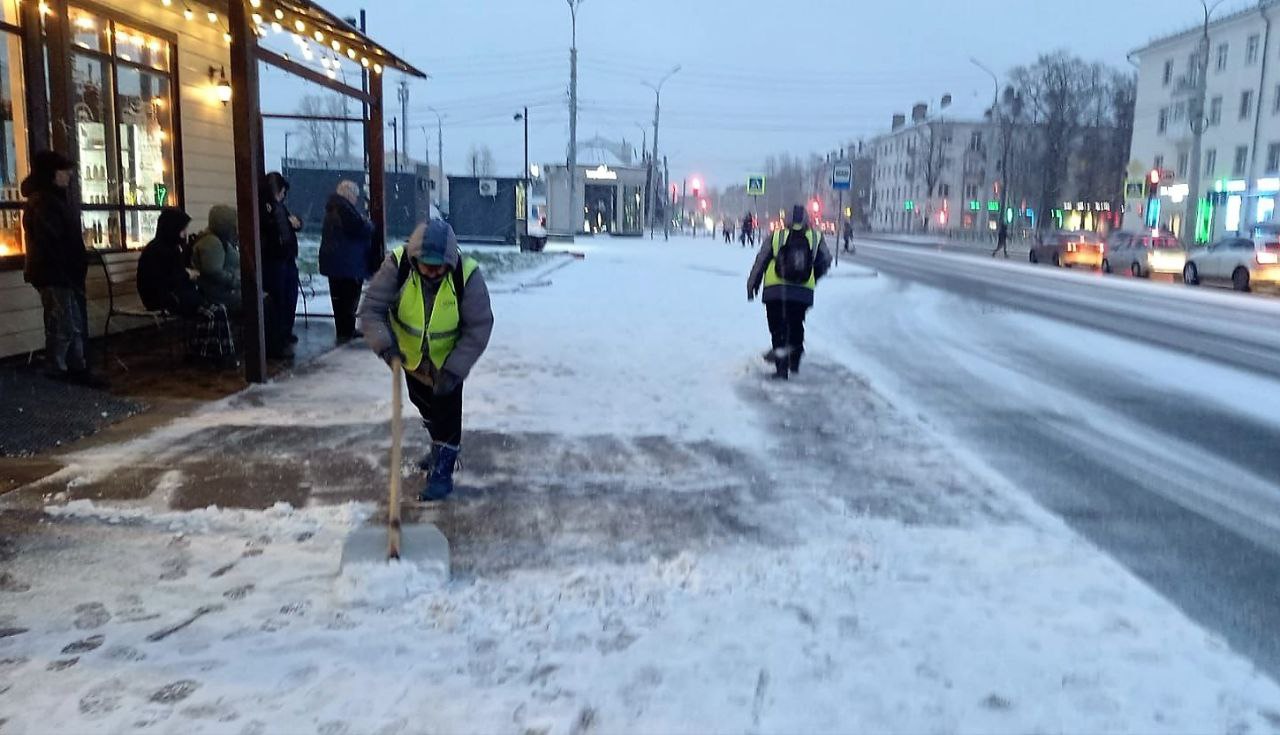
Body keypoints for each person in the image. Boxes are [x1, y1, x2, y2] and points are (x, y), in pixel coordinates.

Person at [359, 220, 494, 502]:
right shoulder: (398, 266)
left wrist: (456, 369)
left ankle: (443, 470)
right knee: (425, 406)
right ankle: (437, 446)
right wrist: (385, 346)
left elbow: (479, 326)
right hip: (411, 359)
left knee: (447, 412)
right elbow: (372, 309)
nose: (432, 272)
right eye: (426, 265)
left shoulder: (466, 275)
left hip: (448, 360)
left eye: (438, 266)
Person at [21, 150, 104, 387]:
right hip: (54, 275)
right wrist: (70, 266)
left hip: (62, 274)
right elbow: (53, 242)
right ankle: (58, 370)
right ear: (51, 174)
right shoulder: (44, 202)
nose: (68, 175)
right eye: (63, 171)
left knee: (71, 322)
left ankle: (76, 366)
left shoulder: (53, 199)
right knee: (62, 324)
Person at [746, 204, 833, 380]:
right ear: (806, 219)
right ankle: (794, 361)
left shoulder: (777, 235)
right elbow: (826, 260)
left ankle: (781, 368)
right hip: (802, 293)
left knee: (777, 328)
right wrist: (813, 276)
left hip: (775, 291)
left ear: (787, 219)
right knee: (796, 324)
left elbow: (761, 260)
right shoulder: (816, 237)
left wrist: (752, 285)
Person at [319, 180, 375, 343]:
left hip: (336, 262)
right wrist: (369, 224)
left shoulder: (332, 208)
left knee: (339, 299)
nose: (356, 199)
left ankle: (343, 329)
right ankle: (347, 329)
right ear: (349, 194)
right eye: (355, 195)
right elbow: (361, 229)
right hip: (348, 264)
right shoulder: (344, 209)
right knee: (349, 298)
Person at [259, 172, 302, 359]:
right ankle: (276, 340)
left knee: (289, 297)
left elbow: (292, 223)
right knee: (279, 300)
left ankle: (285, 332)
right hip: (274, 260)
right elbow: (266, 228)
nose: (283, 195)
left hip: (287, 258)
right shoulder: (264, 207)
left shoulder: (280, 207)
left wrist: (297, 223)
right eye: (282, 191)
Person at [137, 208, 201, 317]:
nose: (185, 233)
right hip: (159, 299)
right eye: (183, 229)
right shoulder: (159, 250)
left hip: (164, 295)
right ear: (173, 228)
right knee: (204, 300)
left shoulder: (167, 246)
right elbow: (167, 278)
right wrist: (188, 274)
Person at [192, 205, 242, 313]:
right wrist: (235, 281)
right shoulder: (212, 242)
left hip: (224, 291)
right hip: (221, 294)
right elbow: (214, 272)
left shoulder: (218, 239)